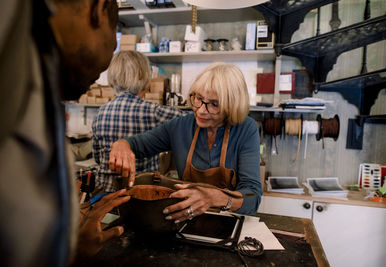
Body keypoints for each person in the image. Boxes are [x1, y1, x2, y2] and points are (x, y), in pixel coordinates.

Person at [0, 0, 130, 266]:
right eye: (112, 43)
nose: (105, 67)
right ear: (98, 10)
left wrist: (68, 246)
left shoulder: (39, 68)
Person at [109, 62, 262, 223]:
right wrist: (122, 145)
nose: (201, 110)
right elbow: (137, 145)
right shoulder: (180, 126)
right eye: (199, 98)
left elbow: (253, 197)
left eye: (214, 104)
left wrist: (216, 198)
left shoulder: (246, 129)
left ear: (232, 105)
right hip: (185, 220)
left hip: (228, 221)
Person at [92, 50, 184, 192]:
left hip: (105, 195)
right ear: (145, 79)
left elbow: (98, 158)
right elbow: (191, 122)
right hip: (140, 197)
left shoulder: (100, 113)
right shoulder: (155, 112)